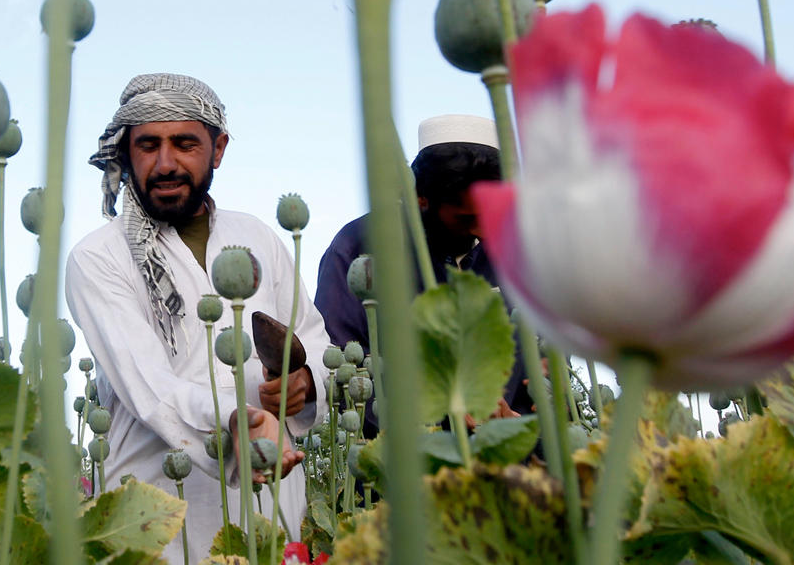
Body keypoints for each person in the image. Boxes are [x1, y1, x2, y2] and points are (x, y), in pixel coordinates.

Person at [65, 73, 331, 564]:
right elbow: (150, 387)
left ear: (218, 148)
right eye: (148, 145)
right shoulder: (98, 257)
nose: (165, 163)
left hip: (272, 504)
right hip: (154, 514)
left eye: (184, 143)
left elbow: (313, 336)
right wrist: (235, 418)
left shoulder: (258, 237)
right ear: (126, 153)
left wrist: (307, 382)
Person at [315, 114, 534, 431]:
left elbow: (543, 368)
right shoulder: (361, 248)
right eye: (464, 218)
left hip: (510, 469)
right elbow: (339, 368)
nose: (482, 230)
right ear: (421, 200)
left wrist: (520, 425)